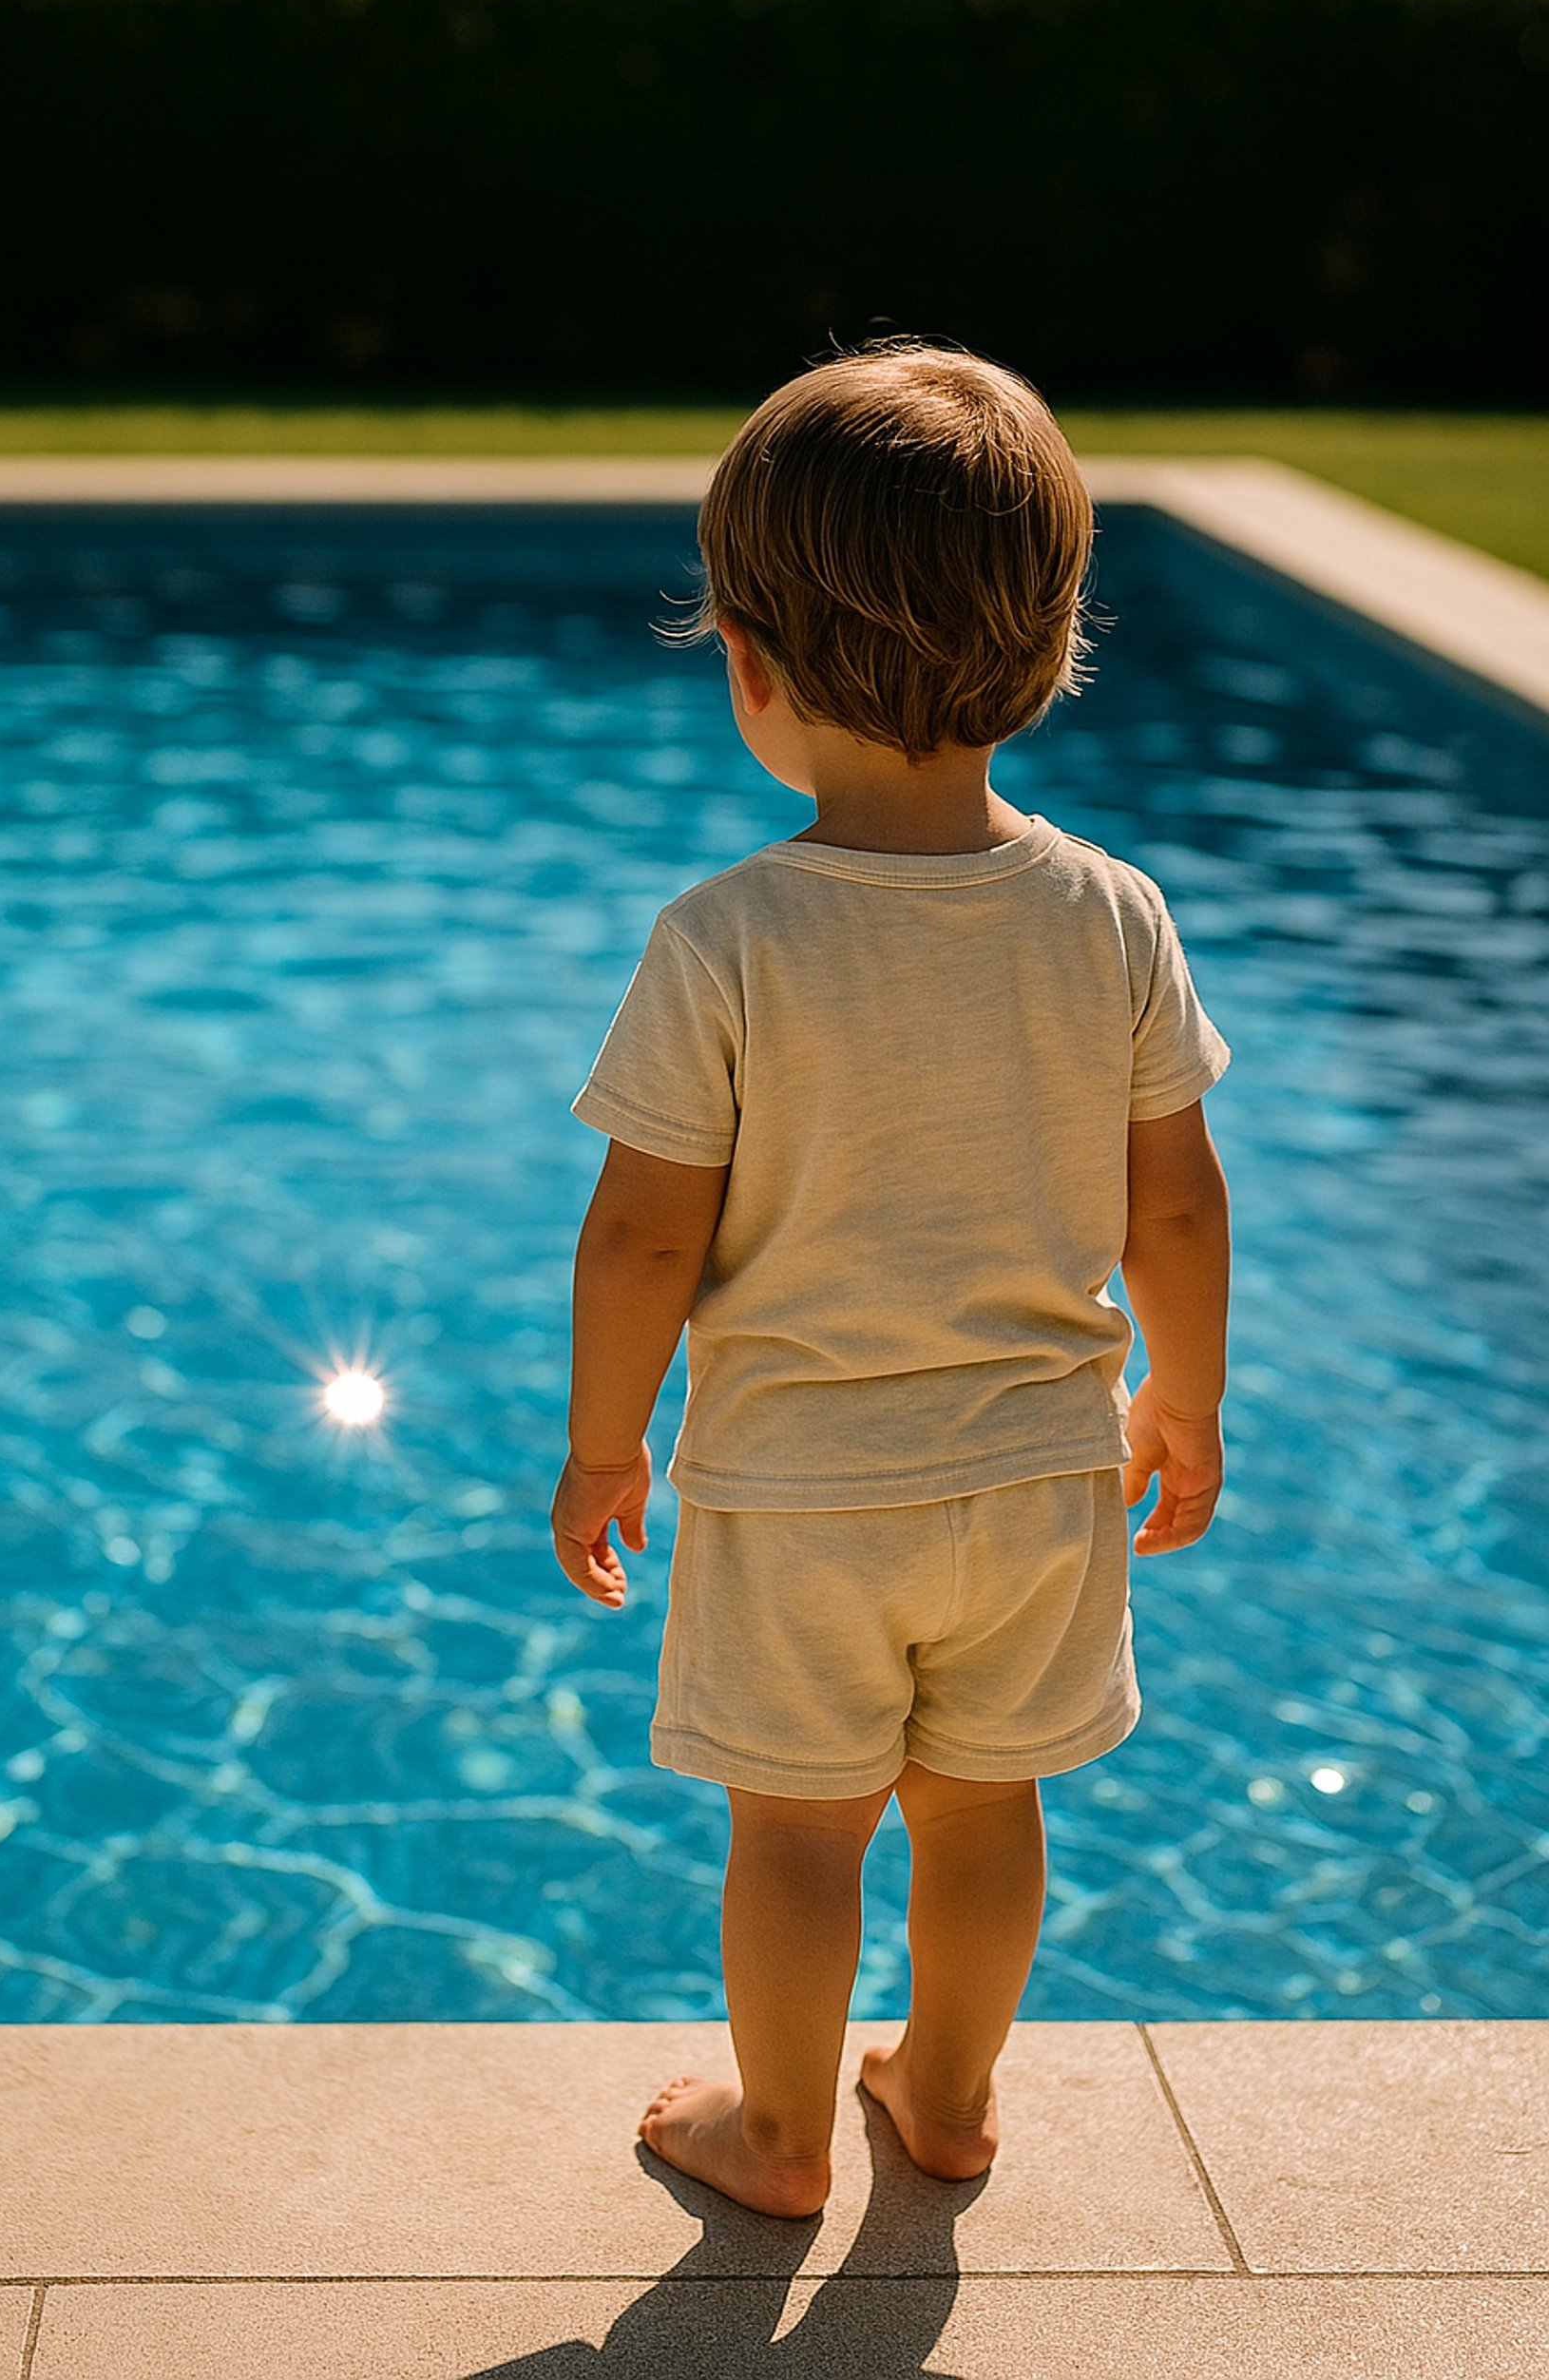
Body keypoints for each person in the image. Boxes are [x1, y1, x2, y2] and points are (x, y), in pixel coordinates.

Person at [549, 342, 1232, 2220]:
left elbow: (642, 1235)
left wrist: (605, 1445)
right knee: (986, 1806)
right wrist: (1184, 1398)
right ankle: (944, 2094)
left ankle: (775, 2137)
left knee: (798, 1830)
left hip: (799, 1491)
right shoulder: (1112, 915)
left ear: (752, 666)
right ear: (1052, 640)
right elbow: (1177, 1207)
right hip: (1040, 1476)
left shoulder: (728, 939)